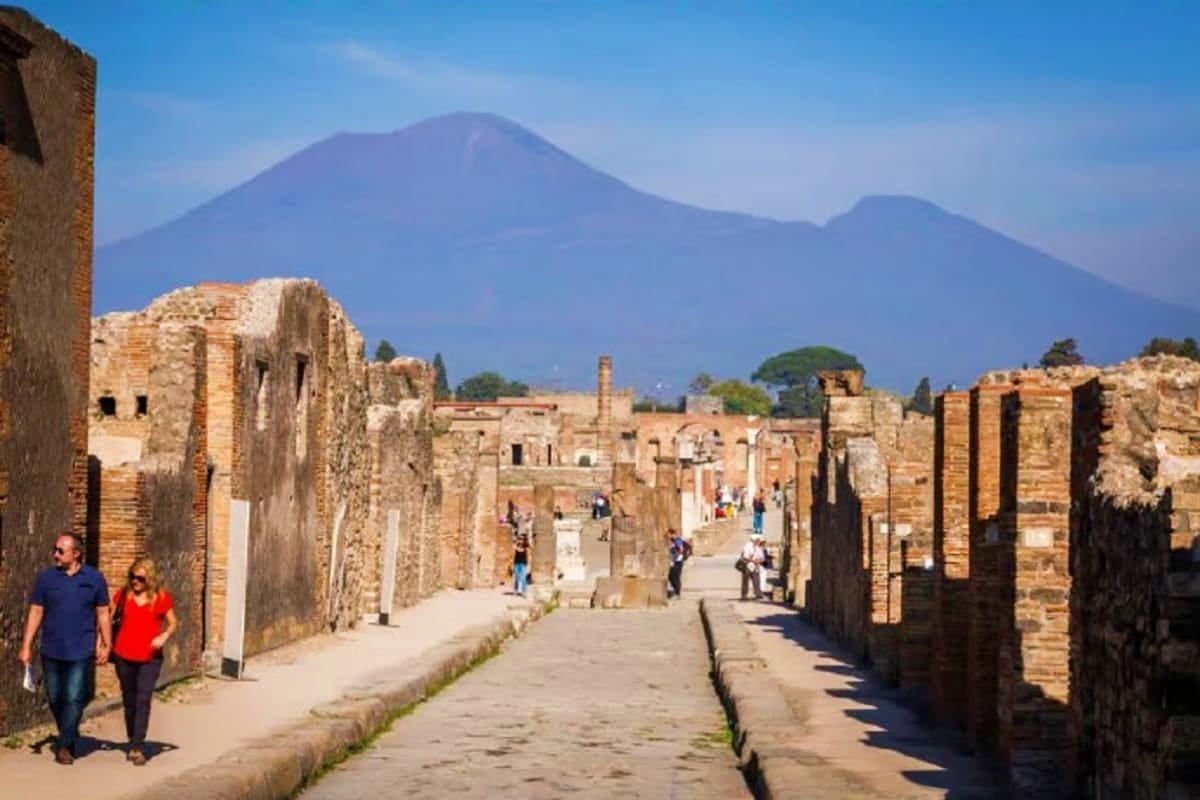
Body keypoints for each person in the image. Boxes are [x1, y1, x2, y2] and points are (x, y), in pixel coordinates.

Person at [18, 533, 112, 765]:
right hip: (51, 648)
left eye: (61, 551)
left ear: (76, 554)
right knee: (55, 697)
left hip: (81, 649)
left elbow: (103, 612)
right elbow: (36, 611)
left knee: (73, 697)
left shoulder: (94, 578)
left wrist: (107, 643)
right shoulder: (46, 579)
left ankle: (64, 746)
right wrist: (26, 646)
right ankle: (69, 732)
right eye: (55, 549)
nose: (55, 555)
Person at [111, 558, 178, 765]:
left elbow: (173, 623)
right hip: (124, 654)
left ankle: (138, 746)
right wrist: (102, 643)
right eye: (132, 577)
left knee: (143, 699)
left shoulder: (161, 598)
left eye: (140, 578)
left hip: (150, 657)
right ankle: (133, 738)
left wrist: (163, 637)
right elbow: (108, 617)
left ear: (150, 578)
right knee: (129, 700)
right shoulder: (123, 595)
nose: (135, 582)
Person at [739, 533, 766, 601]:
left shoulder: (757, 547)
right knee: (745, 581)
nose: (759, 541)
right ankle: (744, 596)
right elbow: (745, 557)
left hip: (755, 566)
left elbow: (762, 557)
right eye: (758, 539)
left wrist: (759, 561)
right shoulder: (748, 546)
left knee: (756, 580)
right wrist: (753, 561)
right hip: (747, 565)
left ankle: (758, 594)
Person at [666, 528, 690, 599]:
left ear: (672, 534)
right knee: (670, 576)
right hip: (675, 561)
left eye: (668, 535)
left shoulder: (677, 540)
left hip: (678, 561)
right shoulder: (673, 541)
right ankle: (676, 591)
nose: (668, 536)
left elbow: (681, 549)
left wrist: (675, 558)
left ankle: (677, 593)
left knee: (676, 577)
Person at [512, 531, 530, 596]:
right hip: (516, 563)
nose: (521, 540)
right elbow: (513, 555)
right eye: (519, 538)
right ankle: (515, 590)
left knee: (523, 578)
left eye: (522, 539)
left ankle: (524, 591)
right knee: (516, 578)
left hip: (523, 564)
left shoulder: (526, 547)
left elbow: (528, 555)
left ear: (524, 540)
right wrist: (512, 564)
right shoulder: (516, 546)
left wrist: (528, 564)